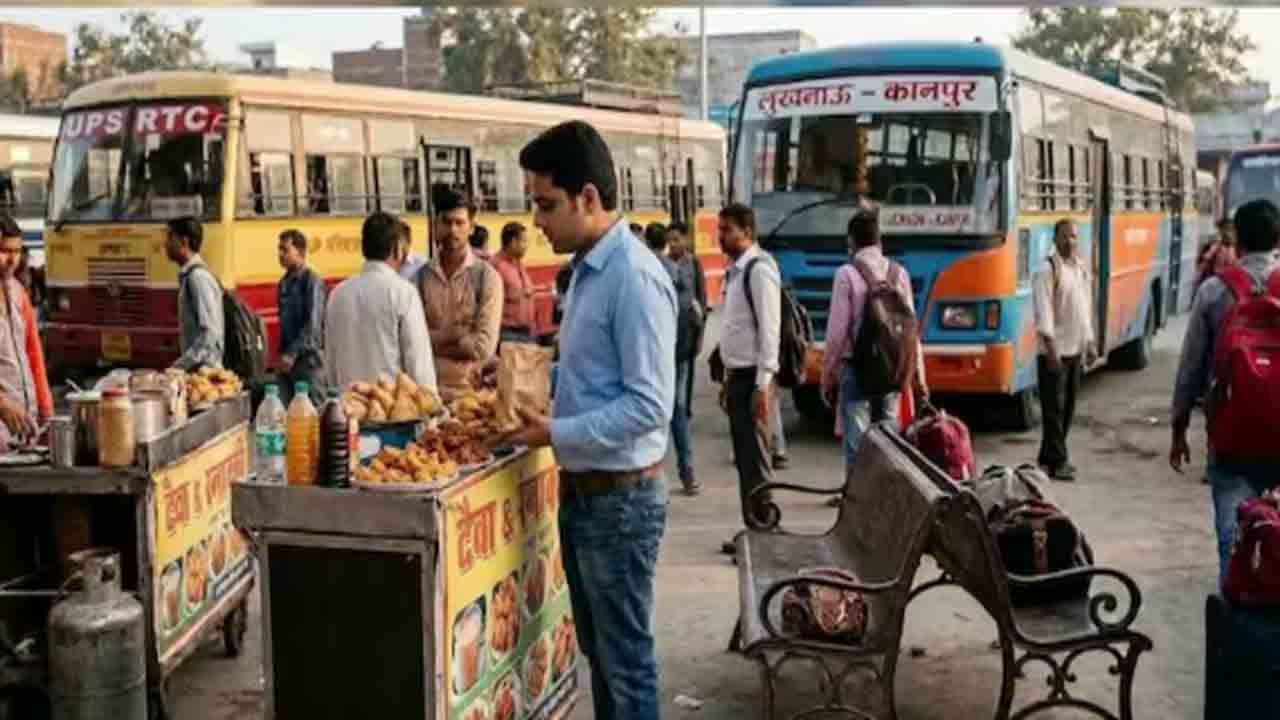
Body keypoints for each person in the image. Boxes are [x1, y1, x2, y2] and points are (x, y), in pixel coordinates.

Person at [504, 120, 674, 720]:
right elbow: (591, 381)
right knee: (602, 656)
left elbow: (650, 405)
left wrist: (556, 433)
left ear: (589, 199)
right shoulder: (588, 273)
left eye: (547, 205)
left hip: (621, 502)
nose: (538, 221)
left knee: (625, 664)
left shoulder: (633, 277)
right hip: (586, 494)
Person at [1171, 198, 1280, 583]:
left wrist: (1179, 427)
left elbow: (1191, 367)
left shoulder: (1216, 291)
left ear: (1240, 241)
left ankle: (1236, 625)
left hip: (1231, 439)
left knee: (1232, 539)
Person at [822, 208, 926, 467]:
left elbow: (836, 334)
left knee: (857, 443)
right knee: (890, 441)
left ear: (851, 241)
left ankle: (859, 500)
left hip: (856, 369)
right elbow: (911, 331)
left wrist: (828, 374)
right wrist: (918, 377)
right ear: (880, 241)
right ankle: (889, 496)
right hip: (892, 370)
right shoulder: (898, 273)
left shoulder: (846, 275)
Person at [715, 203, 781, 556]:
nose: (720, 237)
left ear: (747, 231)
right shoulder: (736, 272)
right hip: (739, 377)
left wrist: (762, 384)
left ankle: (766, 531)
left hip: (754, 380)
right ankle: (753, 529)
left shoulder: (759, 269)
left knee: (756, 457)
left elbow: (770, 331)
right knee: (744, 457)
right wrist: (728, 377)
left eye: (726, 230)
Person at [324, 212, 436, 390]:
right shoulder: (404, 293)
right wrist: (431, 405)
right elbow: (418, 364)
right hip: (391, 409)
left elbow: (330, 363)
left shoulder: (338, 294)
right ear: (397, 249)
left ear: (363, 249)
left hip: (349, 406)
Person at [416, 186, 502, 392]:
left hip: (473, 396)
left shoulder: (487, 277)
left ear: (471, 227)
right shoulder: (419, 278)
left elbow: (483, 348)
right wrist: (456, 334)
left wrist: (435, 340)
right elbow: (414, 343)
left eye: (459, 223)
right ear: (435, 224)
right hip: (429, 392)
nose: (452, 230)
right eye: (446, 222)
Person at [1033, 219, 1097, 482]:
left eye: (1074, 237)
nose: (1071, 241)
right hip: (1054, 352)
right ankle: (1058, 461)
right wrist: (1050, 349)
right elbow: (1043, 312)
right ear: (1055, 240)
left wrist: (1090, 342)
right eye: (1065, 237)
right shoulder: (1048, 270)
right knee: (1054, 410)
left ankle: (1048, 458)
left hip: (1075, 350)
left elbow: (1084, 311)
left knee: (1067, 408)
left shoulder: (1079, 269)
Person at [651, 222, 701, 494]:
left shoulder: (647, 272)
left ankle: (657, 476)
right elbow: (693, 310)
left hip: (664, 355)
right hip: (678, 352)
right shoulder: (676, 271)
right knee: (677, 412)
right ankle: (687, 473)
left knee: (660, 414)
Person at [0, 214, 51, 446]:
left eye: (17, 252)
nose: (13, 260)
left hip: (25, 420)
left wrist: (45, 407)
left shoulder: (18, 292)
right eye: (4, 252)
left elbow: (33, 353)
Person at [166, 216, 224, 371]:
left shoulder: (198, 277)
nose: (166, 245)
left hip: (205, 373)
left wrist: (180, 365)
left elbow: (210, 333)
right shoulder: (189, 276)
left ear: (184, 242)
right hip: (196, 370)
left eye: (170, 238)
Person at [276, 229, 327, 401]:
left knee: (315, 414)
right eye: (279, 249)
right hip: (288, 366)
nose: (280, 254)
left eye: (285, 249)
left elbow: (313, 327)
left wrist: (291, 354)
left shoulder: (312, 280)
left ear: (300, 252)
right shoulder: (283, 283)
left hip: (308, 364)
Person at [666, 223, 707, 418]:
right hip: (669, 327)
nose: (672, 245)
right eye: (670, 241)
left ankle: (685, 408)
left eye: (676, 240)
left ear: (686, 239)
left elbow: (702, 296)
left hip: (690, 327)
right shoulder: (663, 264)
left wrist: (701, 334)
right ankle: (673, 405)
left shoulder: (694, 263)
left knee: (687, 371)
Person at [492, 221, 536, 344]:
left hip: (527, 333)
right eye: (523, 241)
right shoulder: (496, 266)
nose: (526, 245)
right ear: (512, 242)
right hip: (507, 334)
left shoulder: (519, 264)